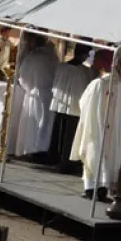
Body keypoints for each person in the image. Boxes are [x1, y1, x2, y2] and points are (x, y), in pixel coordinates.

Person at [70, 50, 121, 202]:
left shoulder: (97, 84)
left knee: (94, 153)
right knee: (106, 157)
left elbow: (83, 103)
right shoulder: (120, 87)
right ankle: (103, 189)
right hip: (112, 131)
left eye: (96, 59)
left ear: (103, 62)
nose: (93, 62)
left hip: (96, 128)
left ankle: (91, 189)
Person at [9, 34, 59, 158]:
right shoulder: (53, 58)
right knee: (44, 125)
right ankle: (41, 151)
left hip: (34, 94)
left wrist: (28, 88)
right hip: (49, 94)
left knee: (32, 124)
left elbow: (22, 77)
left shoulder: (32, 58)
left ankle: (29, 150)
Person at [50, 44, 95, 172]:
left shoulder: (62, 67)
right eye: (86, 54)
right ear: (82, 54)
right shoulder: (84, 72)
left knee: (61, 133)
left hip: (62, 104)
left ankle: (58, 159)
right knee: (68, 136)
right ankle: (64, 161)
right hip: (74, 106)